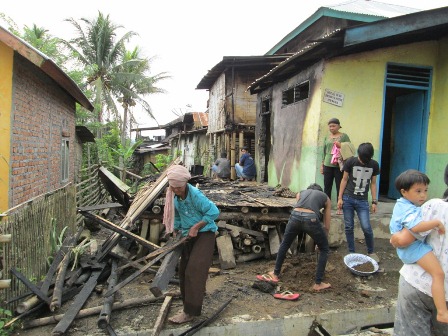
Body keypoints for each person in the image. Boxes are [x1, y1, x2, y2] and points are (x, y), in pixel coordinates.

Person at [390, 169, 448, 334]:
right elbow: (405, 237)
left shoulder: (434, 206)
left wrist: (435, 221)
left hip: (418, 285)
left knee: (438, 274)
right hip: (415, 254)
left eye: (425, 191)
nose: (423, 195)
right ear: (404, 191)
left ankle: (443, 312)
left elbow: (400, 240)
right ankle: (442, 312)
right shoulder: (413, 207)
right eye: (419, 191)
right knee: (438, 273)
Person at [162, 164, 220, 324]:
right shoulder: (173, 196)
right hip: (188, 235)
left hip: (205, 233)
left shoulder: (195, 195)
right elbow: (178, 216)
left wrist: (196, 226)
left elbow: (214, 212)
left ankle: (190, 312)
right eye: (173, 188)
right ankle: (189, 303)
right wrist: (177, 230)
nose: (176, 190)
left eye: (179, 188)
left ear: (185, 184)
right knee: (183, 271)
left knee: (194, 270)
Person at [259, 183, 332, 291]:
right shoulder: (325, 197)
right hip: (311, 218)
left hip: (295, 216)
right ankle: (318, 283)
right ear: (320, 191)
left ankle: (275, 273)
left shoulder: (300, 193)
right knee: (324, 249)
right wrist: (321, 240)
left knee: (285, 243)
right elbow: (326, 224)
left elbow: (300, 209)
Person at [337, 142, 380, 262]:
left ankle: (371, 251)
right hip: (348, 198)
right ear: (358, 154)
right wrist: (340, 198)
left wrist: (374, 201)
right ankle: (351, 252)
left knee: (366, 227)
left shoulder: (374, 165)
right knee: (349, 226)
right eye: (361, 159)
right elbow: (344, 179)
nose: (362, 161)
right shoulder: (350, 161)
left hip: (363, 201)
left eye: (365, 160)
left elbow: (373, 183)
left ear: (370, 157)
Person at [321, 118, 351, 212]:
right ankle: (327, 207)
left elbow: (349, 148)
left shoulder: (344, 136)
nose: (331, 128)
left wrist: (340, 145)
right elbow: (324, 151)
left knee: (340, 186)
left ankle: (340, 207)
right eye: (330, 126)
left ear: (338, 126)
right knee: (327, 186)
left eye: (333, 126)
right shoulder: (327, 137)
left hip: (339, 166)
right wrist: (322, 165)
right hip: (327, 165)